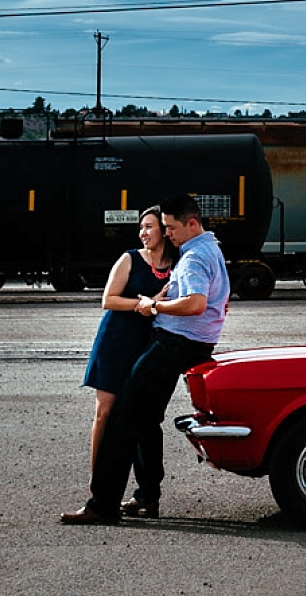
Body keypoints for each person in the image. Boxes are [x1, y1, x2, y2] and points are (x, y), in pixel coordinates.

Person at [61, 192, 230, 524]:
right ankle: (146, 498)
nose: (168, 234)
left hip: (175, 341)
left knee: (123, 417)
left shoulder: (194, 256)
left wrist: (155, 306)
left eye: (170, 227)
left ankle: (102, 504)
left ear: (191, 223)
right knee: (147, 418)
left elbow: (195, 303)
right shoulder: (211, 249)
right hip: (194, 341)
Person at [80, 206, 176, 471]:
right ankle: (95, 482)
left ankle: (139, 491)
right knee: (105, 413)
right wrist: (147, 303)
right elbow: (108, 300)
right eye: (141, 227)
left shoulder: (177, 265)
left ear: (166, 232)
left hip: (148, 346)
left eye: (149, 227)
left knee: (137, 416)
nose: (143, 233)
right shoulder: (130, 259)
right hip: (116, 342)